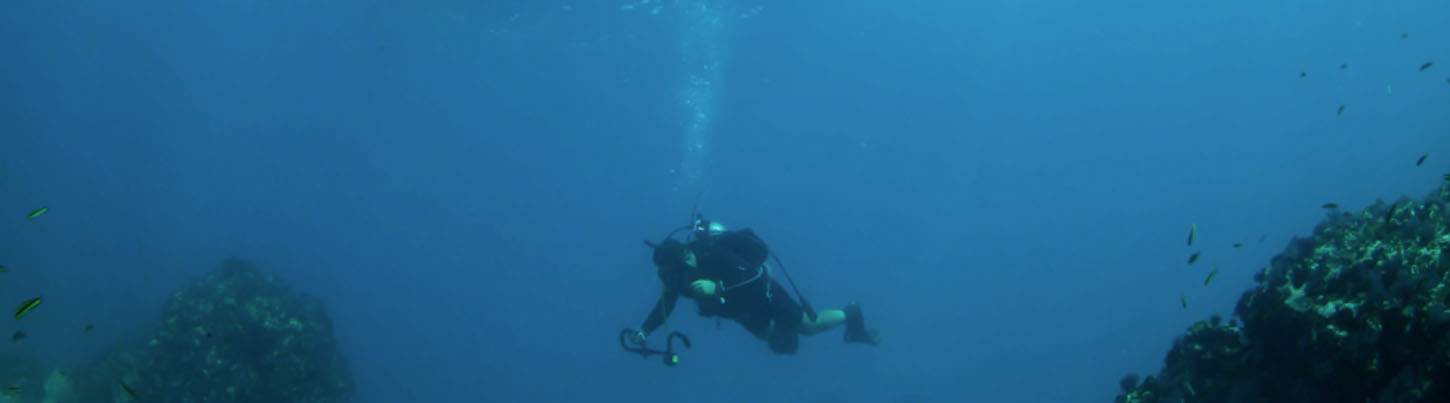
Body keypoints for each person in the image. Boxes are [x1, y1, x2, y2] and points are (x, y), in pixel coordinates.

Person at [630, 217, 879, 355]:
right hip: (740, 312)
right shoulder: (675, 278)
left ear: (685, 257)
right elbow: (665, 304)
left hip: (764, 294)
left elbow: (753, 276)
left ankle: (852, 313)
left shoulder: (713, 253)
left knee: (809, 328)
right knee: (782, 346)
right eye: (667, 275)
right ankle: (785, 331)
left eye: (673, 273)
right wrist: (644, 331)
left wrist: (718, 288)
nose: (672, 280)